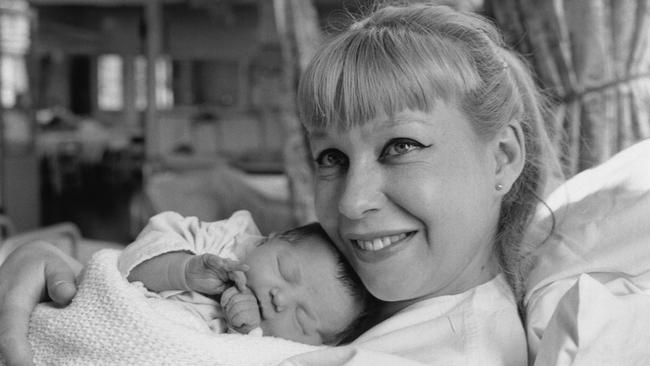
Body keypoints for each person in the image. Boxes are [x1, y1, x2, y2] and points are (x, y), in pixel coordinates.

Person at [0, 3, 561, 365]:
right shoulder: (361, 284)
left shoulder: (449, 352)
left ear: (503, 157)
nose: (352, 201)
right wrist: (53, 263)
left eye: (401, 147)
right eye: (331, 157)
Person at [118, 210, 370, 345]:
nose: (280, 299)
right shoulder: (218, 242)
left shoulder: (272, 351)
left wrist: (243, 334)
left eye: (300, 319)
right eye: (284, 270)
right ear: (267, 240)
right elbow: (132, 261)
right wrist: (182, 269)